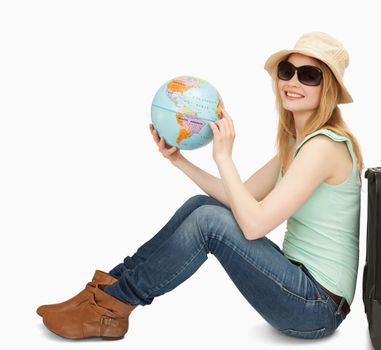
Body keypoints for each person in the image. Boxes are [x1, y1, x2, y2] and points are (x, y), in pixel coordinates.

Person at [37, 31, 364, 341]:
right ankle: (105, 293)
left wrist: (224, 157)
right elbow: (242, 198)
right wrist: (179, 160)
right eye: (287, 70)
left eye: (309, 75)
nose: (293, 82)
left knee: (210, 221)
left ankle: (111, 309)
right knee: (201, 206)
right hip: (298, 287)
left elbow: (253, 225)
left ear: (329, 90)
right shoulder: (298, 144)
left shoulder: (324, 147)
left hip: (316, 308)